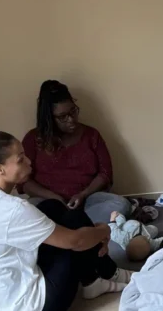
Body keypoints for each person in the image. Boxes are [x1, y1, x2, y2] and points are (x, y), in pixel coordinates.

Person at [0, 131, 130, 311]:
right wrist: (103, 230)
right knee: (74, 223)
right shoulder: (13, 209)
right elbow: (76, 241)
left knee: (52, 208)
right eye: (20, 159)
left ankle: (93, 280)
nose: (29, 161)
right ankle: (109, 273)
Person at [21, 80, 131, 225]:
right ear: (49, 118)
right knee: (25, 213)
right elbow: (24, 182)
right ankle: (78, 230)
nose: (71, 119)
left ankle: (67, 230)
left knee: (121, 204)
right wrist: (54, 198)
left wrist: (83, 194)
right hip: (47, 202)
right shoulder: (32, 139)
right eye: (62, 117)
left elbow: (105, 174)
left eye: (73, 111)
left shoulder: (91, 135)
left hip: (87, 202)